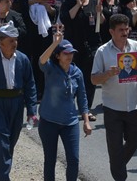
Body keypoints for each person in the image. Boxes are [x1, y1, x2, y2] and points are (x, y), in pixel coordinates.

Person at [0, 22, 39, 181]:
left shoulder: (23, 60)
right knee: (0, 143)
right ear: (1, 43)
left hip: (16, 106)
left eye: (16, 40)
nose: (14, 43)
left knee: (8, 146)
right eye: (11, 40)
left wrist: (32, 111)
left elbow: (30, 85)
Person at [92, 14, 137, 181]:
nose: (125, 33)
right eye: (121, 30)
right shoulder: (102, 51)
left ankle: (117, 163)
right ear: (111, 31)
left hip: (133, 105)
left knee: (136, 138)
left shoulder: (136, 46)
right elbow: (93, 79)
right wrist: (108, 74)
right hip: (112, 108)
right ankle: (120, 175)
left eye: (127, 29)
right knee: (115, 146)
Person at [37, 28, 92, 181]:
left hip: (70, 122)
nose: (69, 56)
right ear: (58, 56)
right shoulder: (50, 69)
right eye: (66, 53)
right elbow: (42, 60)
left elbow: (82, 98)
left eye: (71, 53)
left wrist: (86, 121)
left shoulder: (77, 72)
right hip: (49, 122)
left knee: (73, 160)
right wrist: (55, 43)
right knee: (50, 160)